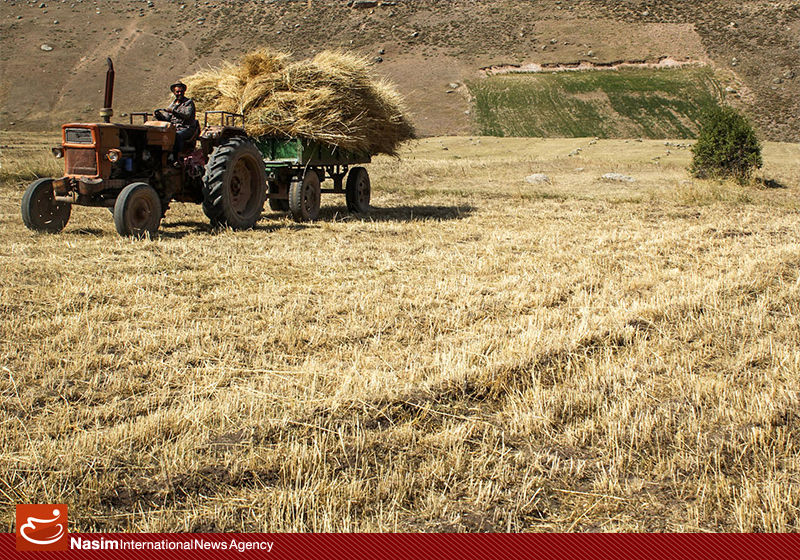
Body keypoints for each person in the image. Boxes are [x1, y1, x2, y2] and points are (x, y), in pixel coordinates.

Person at [155, 81, 199, 162]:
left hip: (186, 127)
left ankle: (176, 158)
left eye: (181, 91)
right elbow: (167, 118)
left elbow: (187, 115)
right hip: (174, 127)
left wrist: (173, 111)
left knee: (177, 136)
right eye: (177, 92)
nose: (179, 93)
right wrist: (159, 116)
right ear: (174, 92)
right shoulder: (173, 104)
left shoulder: (188, 103)